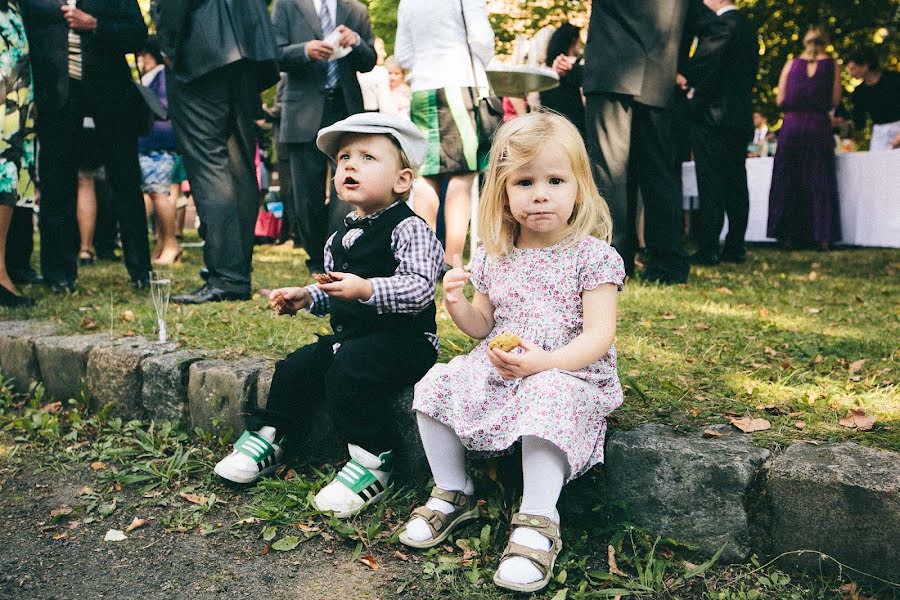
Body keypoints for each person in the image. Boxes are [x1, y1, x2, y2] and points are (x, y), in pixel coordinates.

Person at [399, 113, 624, 594]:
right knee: (436, 382)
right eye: (524, 182)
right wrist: (457, 304)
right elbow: (483, 326)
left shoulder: (593, 256)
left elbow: (598, 336)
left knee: (548, 393)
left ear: (579, 189)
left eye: (555, 180)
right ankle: (452, 489)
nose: (540, 193)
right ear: (502, 192)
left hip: (569, 372)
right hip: (503, 369)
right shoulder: (497, 253)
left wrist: (545, 361)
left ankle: (538, 520)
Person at [213, 113, 443, 519]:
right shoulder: (340, 236)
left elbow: (421, 288)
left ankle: (374, 458)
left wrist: (367, 288)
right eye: (343, 158)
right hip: (354, 338)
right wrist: (307, 296)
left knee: (350, 370)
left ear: (402, 180)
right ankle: (272, 434)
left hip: (405, 341)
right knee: (297, 365)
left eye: (367, 158)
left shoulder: (411, 230)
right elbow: (338, 290)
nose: (350, 165)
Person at [22, 0, 152, 293]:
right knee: (56, 183)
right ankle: (59, 274)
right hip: (57, 98)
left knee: (125, 180)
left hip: (111, 96)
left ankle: (141, 269)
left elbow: (137, 34)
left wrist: (94, 25)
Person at [156, 0, 278, 304]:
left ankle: (227, 276)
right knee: (238, 163)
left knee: (209, 164)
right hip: (247, 50)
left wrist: (168, 46)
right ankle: (234, 269)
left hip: (202, 50)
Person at [583, 0, 701, 284]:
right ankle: (667, 262)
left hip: (612, 69)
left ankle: (613, 260)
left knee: (610, 174)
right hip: (659, 75)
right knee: (660, 173)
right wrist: (681, 67)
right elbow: (697, 19)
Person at [271, 0, 376, 276]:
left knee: (350, 187)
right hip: (303, 110)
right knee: (306, 194)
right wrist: (305, 51)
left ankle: (338, 253)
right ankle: (317, 257)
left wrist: (356, 43)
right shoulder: (287, 6)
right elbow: (273, 52)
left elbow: (369, 61)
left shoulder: (357, 10)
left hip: (347, 109)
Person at [395, 0, 494, 268]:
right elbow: (481, 39)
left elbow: (402, 54)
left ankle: (424, 259)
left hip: (421, 89)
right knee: (462, 173)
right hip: (458, 84)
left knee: (426, 175)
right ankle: (453, 260)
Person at [680, 0, 758, 265]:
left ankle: (708, 247)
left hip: (714, 118)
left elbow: (706, 65)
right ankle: (736, 246)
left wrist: (683, 76)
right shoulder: (748, 25)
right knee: (736, 184)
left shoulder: (724, 25)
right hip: (739, 118)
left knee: (711, 183)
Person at [766, 26, 842, 250]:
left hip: (792, 125)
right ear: (825, 43)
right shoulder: (832, 65)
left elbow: (780, 99)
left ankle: (788, 235)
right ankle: (823, 236)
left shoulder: (791, 64)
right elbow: (835, 100)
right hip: (818, 125)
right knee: (819, 177)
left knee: (789, 177)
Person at [0, 0, 36, 306]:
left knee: (10, 178)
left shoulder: (12, 9)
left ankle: (2, 271)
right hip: (4, 101)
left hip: (16, 99)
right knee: (3, 178)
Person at [137, 36, 180, 265]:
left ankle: (171, 244)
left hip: (159, 142)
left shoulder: (161, 76)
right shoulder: (153, 77)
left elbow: (163, 107)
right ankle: (163, 243)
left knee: (159, 192)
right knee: (154, 192)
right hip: (151, 142)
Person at [845, 46, 900, 151]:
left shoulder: (894, 79)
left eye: (853, 68)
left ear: (866, 65)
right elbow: (859, 121)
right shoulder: (859, 92)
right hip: (879, 134)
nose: (851, 73)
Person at [540, 22, 585, 136]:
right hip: (576, 129)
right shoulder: (579, 66)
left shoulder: (545, 69)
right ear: (574, 40)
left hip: (550, 128)